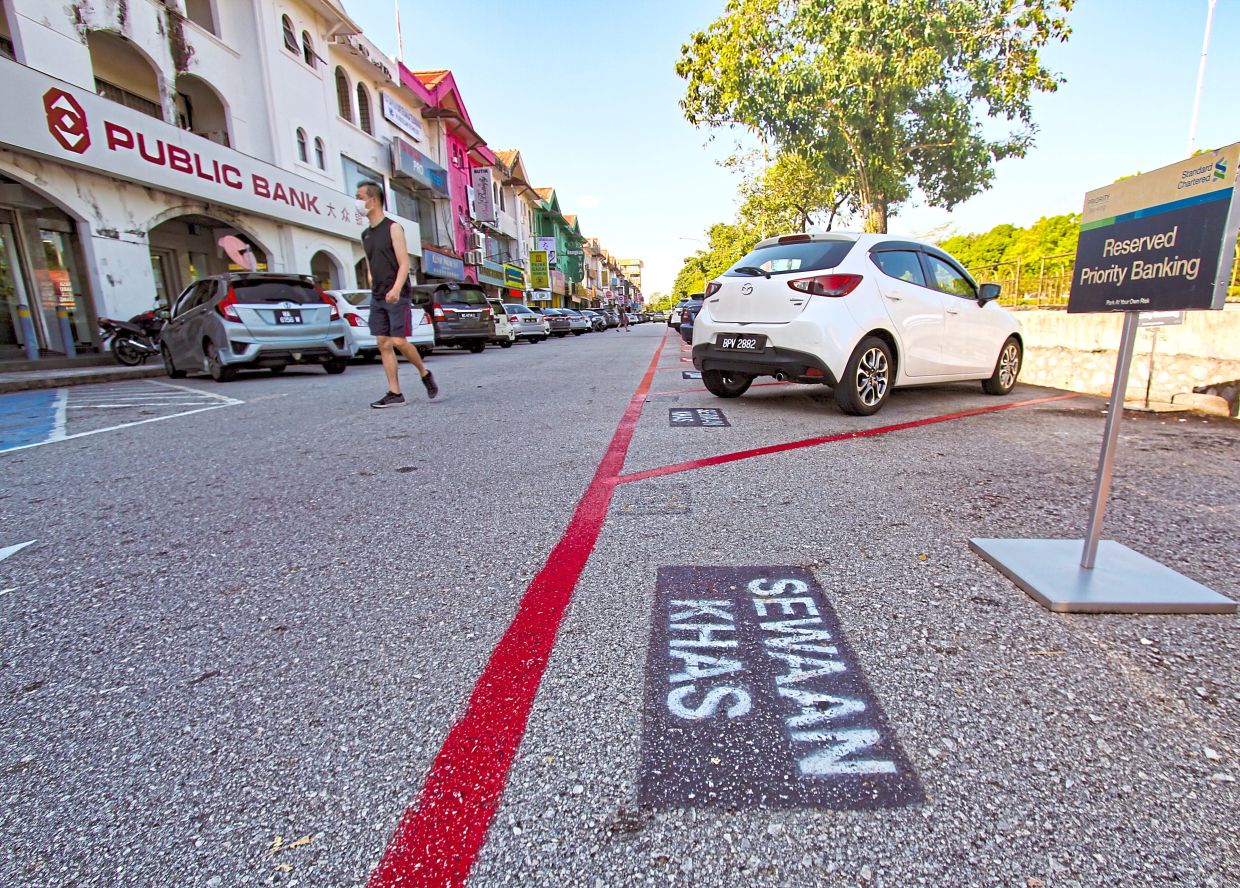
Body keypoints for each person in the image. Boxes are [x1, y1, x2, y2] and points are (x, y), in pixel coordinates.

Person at [356, 181, 438, 408]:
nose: (358, 202)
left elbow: (404, 264)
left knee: (398, 340)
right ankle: (395, 392)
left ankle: (424, 373)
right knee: (382, 342)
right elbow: (370, 264)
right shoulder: (366, 235)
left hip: (397, 293)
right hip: (378, 294)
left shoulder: (393, 228)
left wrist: (395, 289)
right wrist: (372, 283)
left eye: (360, 197)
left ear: (373, 200)